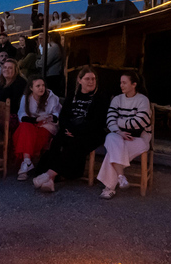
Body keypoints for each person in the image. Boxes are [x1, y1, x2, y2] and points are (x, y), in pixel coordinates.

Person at [32, 66, 109, 192]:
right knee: (57, 141)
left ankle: (49, 175)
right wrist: (68, 128)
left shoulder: (100, 97)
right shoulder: (73, 94)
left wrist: (77, 131)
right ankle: (51, 180)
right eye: (87, 79)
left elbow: (97, 121)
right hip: (70, 129)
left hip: (91, 133)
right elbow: (63, 116)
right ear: (80, 80)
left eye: (93, 79)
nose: (91, 82)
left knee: (74, 144)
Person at [96, 71, 152, 199]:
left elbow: (140, 122)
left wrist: (119, 122)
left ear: (134, 84)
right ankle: (121, 177)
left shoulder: (142, 100)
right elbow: (110, 119)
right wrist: (119, 131)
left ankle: (109, 188)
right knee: (110, 137)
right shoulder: (117, 99)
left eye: (124, 83)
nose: (121, 85)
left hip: (139, 139)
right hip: (119, 136)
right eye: (120, 82)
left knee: (112, 151)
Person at [14, 75, 61, 180]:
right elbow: (22, 115)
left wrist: (50, 117)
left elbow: (58, 114)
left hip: (47, 125)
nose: (41, 88)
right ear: (31, 88)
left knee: (32, 135)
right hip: (31, 125)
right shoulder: (26, 98)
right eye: (38, 86)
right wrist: (36, 120)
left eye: (43, 85)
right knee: (25, 127)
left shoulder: (52, 98)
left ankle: (25, 163)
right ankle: (27, 161)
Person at [0, 59, 27, 134]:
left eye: (10, 68)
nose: (6, 70)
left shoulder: (20, 83)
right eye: (5, 67)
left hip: (13, 115)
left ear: (15, 70)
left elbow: (15, 105)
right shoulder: (0, 82)